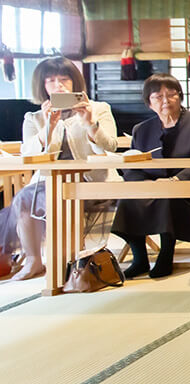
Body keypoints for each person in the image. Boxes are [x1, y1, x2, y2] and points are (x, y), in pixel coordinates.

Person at [0, 57, 118, 280]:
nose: (58, 85)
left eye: (64, 79)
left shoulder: (99, 109)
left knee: (63, 198)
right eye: (51, 80)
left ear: (75, 83)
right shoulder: (33, 118)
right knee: (24, 198)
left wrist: (90, 123)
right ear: (42, 86)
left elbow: (110, 146)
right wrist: (48, 126)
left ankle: (73, 261)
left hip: (94, 181)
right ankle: (35, 261)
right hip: (49, 184)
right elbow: (30, 156)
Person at [112, 74, 190, 279]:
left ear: (180, 96)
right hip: (150, 185)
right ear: (149, 103)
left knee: (167, 197)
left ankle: (166, 254)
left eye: (171, 94)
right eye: (158, 97)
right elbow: (133, 163)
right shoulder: (141, 129)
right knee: (128, 199)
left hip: (183, 185)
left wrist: (174, 181)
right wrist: (146, 184)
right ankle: (139, 258)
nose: (165, 101)